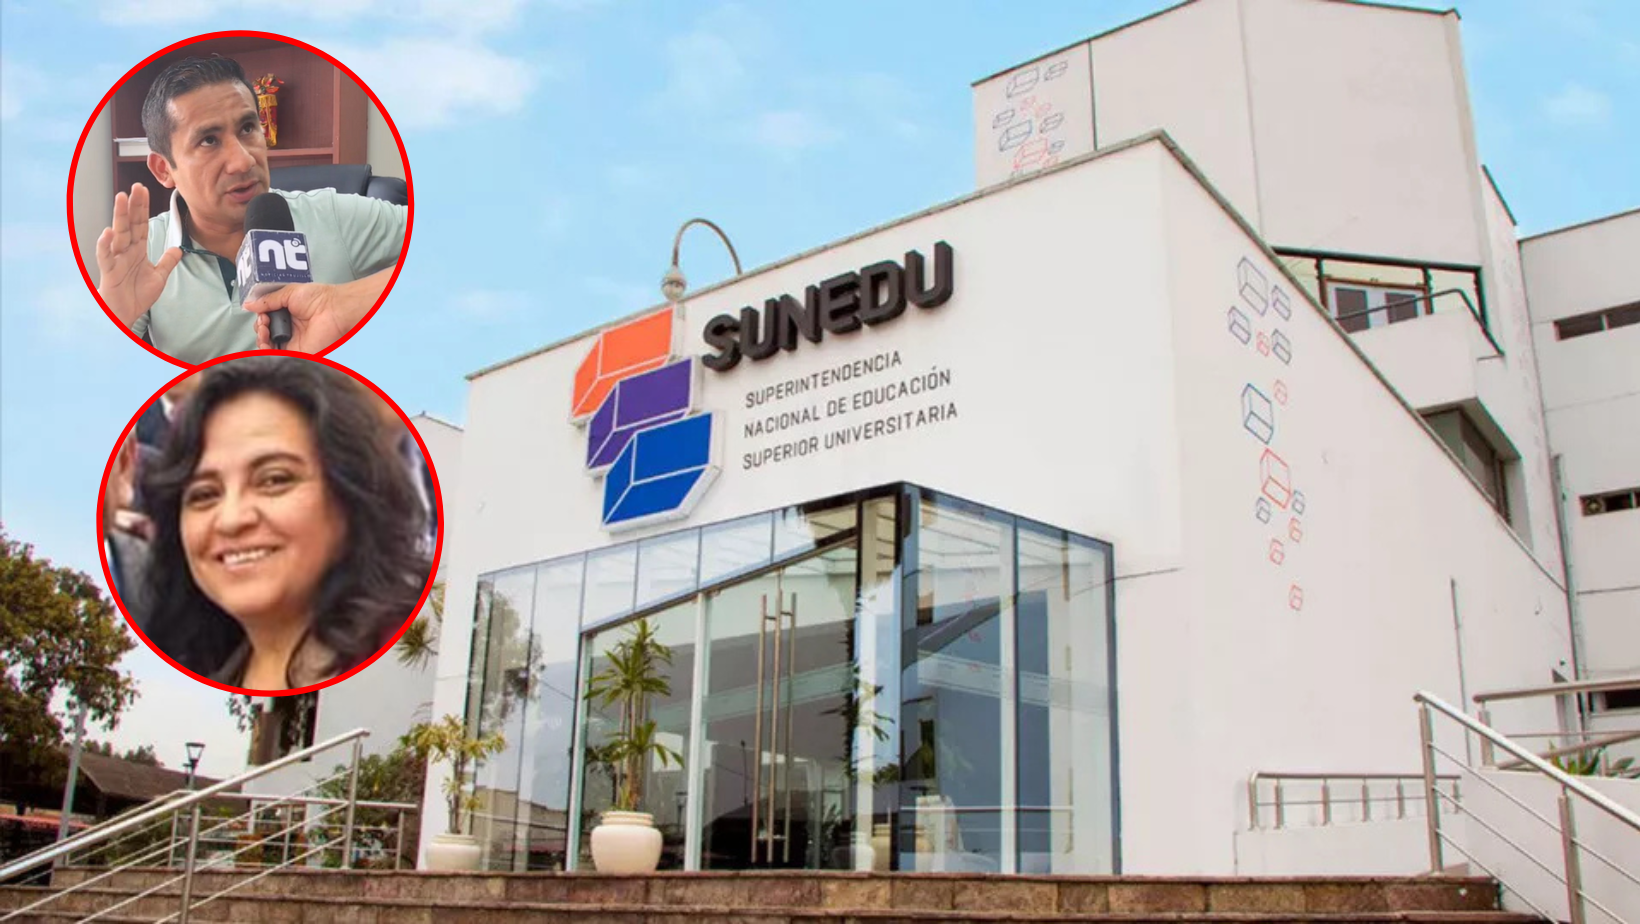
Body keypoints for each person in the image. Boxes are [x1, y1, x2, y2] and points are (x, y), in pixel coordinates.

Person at [140, 356, 431, 690]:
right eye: (205, 494)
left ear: (353, 496)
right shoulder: (194, 674)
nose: (232, 519)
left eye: (274, 480)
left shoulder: (416, 654)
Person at [95, 56, 404, 363]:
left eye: (247, 128)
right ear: (164, 169)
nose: (243, 161)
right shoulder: (144, 251)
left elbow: (435, 243)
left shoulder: (333, 215)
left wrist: (343, 304)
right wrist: (116, 320)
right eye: (209, 140)